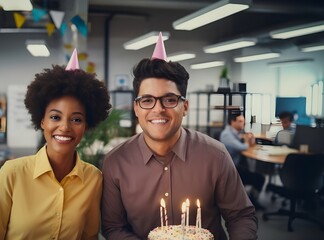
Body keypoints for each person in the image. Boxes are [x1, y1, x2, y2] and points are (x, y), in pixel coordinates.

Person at [101, 33, 257, 240]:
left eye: (169, 99)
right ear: (136, 108)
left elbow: (241, 216)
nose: (158, 109)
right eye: (147, 100)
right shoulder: (116, 162)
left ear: (185, 107)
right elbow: (113, 227)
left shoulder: (215, 155)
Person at [0, 49, 111, 240]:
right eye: (55, 117)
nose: (64, 127)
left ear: (86, 126)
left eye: (76, 120)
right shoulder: (12, 173)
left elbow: (89, 236)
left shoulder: (93, 179)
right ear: (42, 121)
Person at [219, 112, 266, 210]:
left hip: (237, 167)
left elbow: (248, 145)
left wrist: (249, 139)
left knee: (256, 174)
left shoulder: (234, 133)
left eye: (243, 121)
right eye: (240, 121)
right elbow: (242, 147)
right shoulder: (226, 135)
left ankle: (249, 199)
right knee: (259, 179)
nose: (243, 124)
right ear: (232, 122)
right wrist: (246, 140)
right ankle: (252, 201)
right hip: (231, 170)